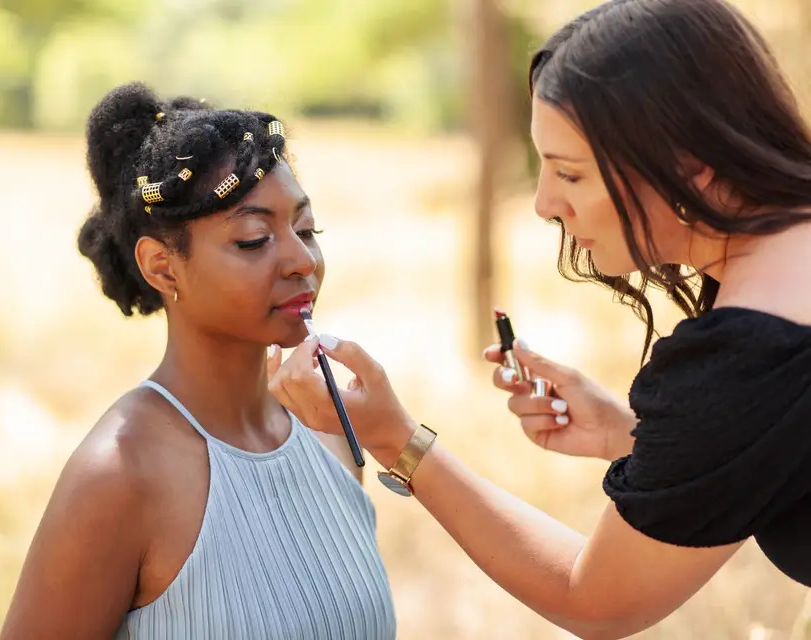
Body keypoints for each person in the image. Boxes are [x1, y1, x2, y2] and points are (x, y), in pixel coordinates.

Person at [267, 0, 811, 637]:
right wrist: (633, 435)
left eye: (570, 175)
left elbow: (595, 599)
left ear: (691, 165)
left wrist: (397, 439)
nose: (545, 203)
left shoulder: (746, 356)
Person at [0, 83, 396, 639]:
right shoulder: (119, 473)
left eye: (307, 230)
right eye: (255, 240)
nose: (302, 259)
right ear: (162, 267)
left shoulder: (328, 432)